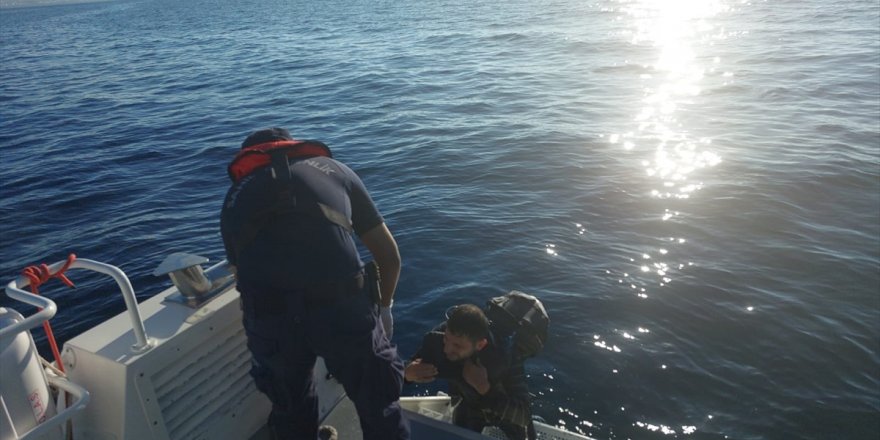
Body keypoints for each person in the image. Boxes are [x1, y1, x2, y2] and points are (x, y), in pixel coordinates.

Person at [220, 127, 409, 440]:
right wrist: (385, 307)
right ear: (292, 147)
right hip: (344, 311)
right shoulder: (338, 172)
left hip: (271, 319)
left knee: (290, 408)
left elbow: (242, 275)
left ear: (250, 158)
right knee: (379, 404)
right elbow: (389, 257)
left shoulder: (234, 198)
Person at [405, 304, 535, 440]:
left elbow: (524, 415)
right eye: (446, 339)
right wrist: (407, 373)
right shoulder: (444, 337)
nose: (447, 349)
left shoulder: (505, 356)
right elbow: (407, 365)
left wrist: (484, 389)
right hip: (468, 405)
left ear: (480, 345)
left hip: (502, 406)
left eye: (457, 346)